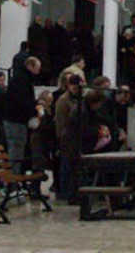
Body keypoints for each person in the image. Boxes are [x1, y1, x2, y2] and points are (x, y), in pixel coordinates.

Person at [2, 56, 41, 173]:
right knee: (17, 149)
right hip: (17, 120)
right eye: (37, 68)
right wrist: (34, 110)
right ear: (30, 66)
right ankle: (13, 179)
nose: (39, 72)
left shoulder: (20, 78)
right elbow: (23, 101)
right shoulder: (22, 80)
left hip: (15, 119)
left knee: (17, 148)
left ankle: (15, 178)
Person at [55, 74, 83, 202]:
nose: (76, 89)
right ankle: (65, 192)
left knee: (73, 166)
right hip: (67, 137)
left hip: (76, 137)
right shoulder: (63, 100)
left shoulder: (78, 98)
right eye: (74, 86)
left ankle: (72, 191)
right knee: (66, 165)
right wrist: (61, 137)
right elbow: (61, 121)